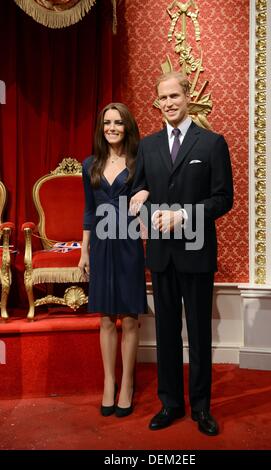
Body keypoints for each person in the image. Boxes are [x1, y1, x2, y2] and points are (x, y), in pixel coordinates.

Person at [130, 71, 233, 435]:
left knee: (199, 333)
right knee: (167, 333)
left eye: (175, 96)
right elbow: (138, 192)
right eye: (163, 98)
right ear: (157, 102)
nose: (169, 103)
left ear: (186, 97)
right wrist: (139, 200)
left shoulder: (212, 143)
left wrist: (183, 215)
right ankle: (170, 403)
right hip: (161, 256)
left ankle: (201, 408)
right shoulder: (148, 145)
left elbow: (223, 199)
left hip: (197, 254)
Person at [79, 103, 149, 418]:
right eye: (107, 122)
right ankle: (110, 381)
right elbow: (89, 211)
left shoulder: (138, 162)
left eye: (118, 123)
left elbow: (152, 192)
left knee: (130, 317)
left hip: (129, 242)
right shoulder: (89, 164)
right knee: (106, 317)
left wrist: (145, 194)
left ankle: (128, 384)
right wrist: (84, 250)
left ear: (127, 127)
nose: (112, 128)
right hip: (101, 244)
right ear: (101, 128)